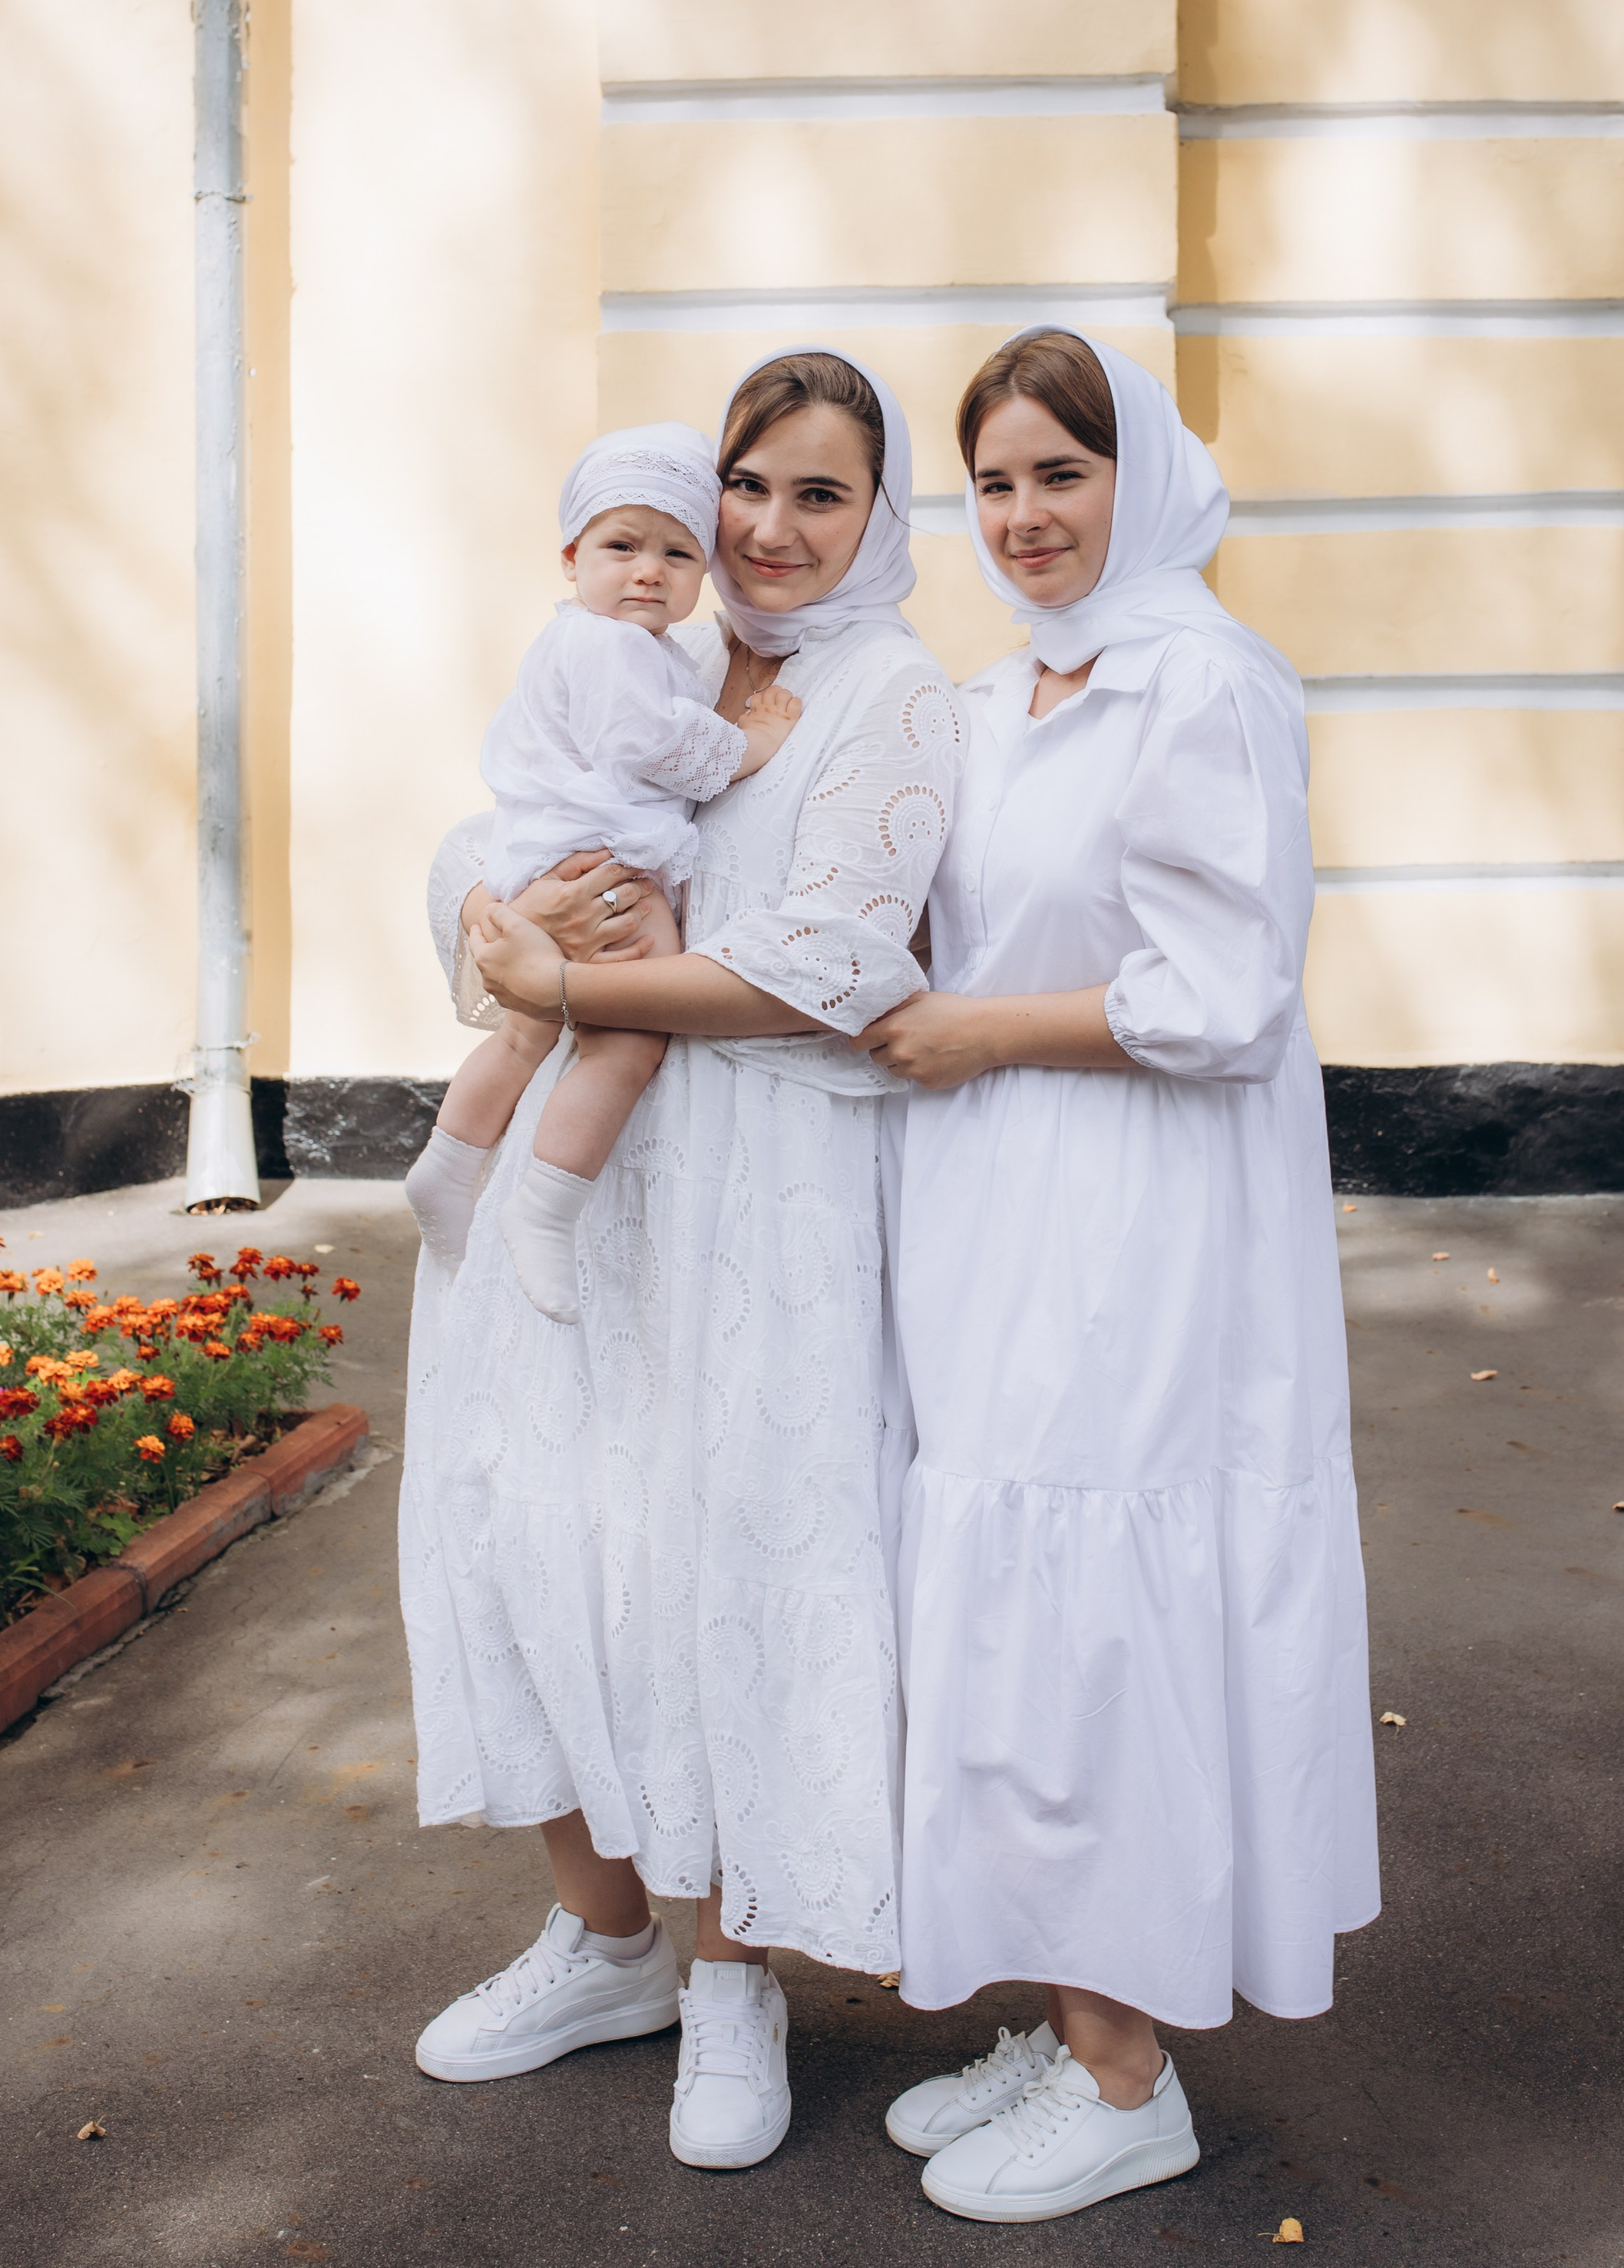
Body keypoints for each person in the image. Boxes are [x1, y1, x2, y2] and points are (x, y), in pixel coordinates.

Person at [397, 352, 964, 2173]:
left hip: (761, 1196)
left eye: (820, 494)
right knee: (538, 1535)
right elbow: (487, 851)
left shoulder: (889, 691)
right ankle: (606, 1938)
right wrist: (505, 915)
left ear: (877, 517)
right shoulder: (630, 635)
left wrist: (570, 983)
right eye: (749, 486)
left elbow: (828, 959)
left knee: (720, 1567)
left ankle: (734, 1973)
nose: (770, 530)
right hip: (584, 1183)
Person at [860, 326, 1379, 2225]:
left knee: (1087, 1613)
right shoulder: (1003, 694)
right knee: (1000, 1593)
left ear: (1132, 475)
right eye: (990, 482)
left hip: (1137, 1224)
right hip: (1001, 1208)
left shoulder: (1200, 681)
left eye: (1054, 473)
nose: (1020, 516)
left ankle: (1126, 2067)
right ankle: (1066, 2000)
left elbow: (1220, 995)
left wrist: (980, 1031)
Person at [401, 422, 800, 1317]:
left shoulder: (606, 642)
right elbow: (652, 744)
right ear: (572, 555)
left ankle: (449, 1166)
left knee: (523, 1032)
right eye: (622, 546)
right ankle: (545, 1207)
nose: (648, 571)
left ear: (707, 572)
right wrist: (754, 740)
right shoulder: (616, 647)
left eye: (678, 552)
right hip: (600, 859)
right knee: (629, 1037)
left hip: (541, 853)